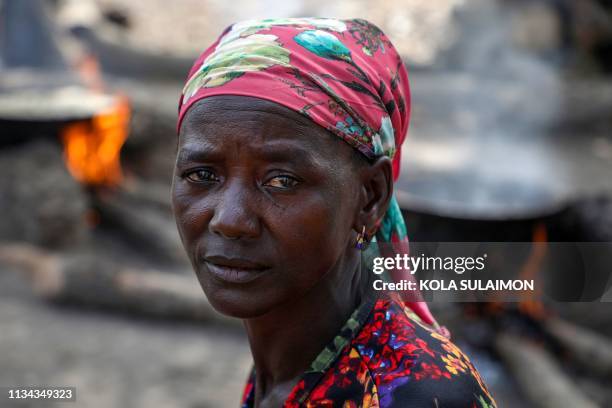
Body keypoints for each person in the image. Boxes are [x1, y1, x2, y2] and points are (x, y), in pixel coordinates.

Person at [172, 17, 497, 407]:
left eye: (282, 181)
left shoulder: (415, 395)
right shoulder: (291, 357)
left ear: (369, 198)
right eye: (202, 174)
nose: (230, 220)